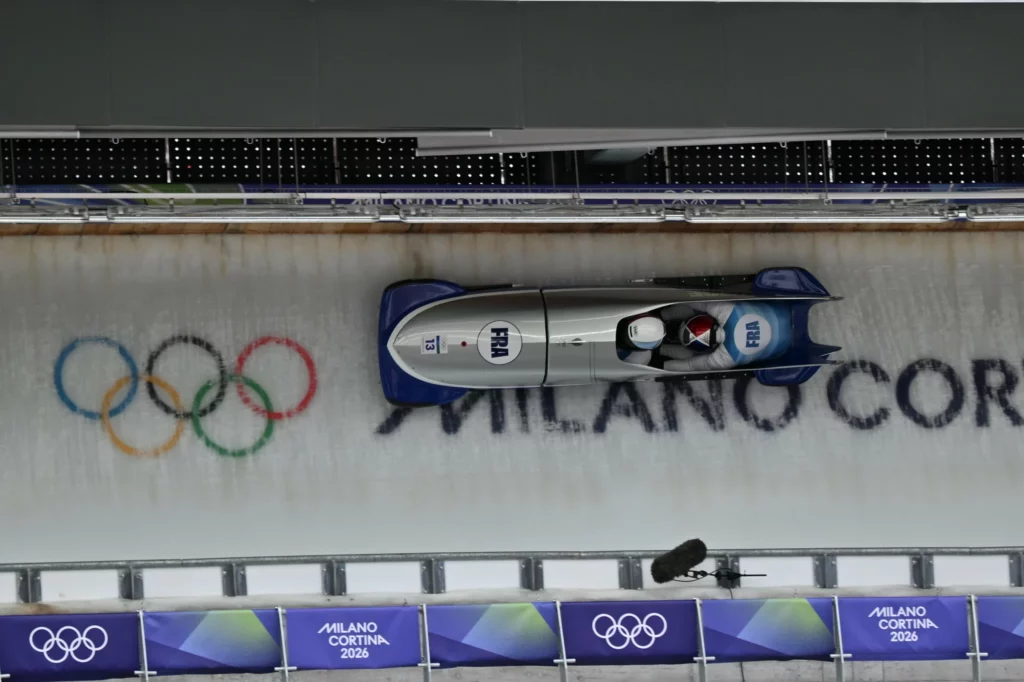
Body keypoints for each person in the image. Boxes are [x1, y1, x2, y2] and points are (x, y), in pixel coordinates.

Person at [658, 300, 792, 372]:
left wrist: (660, 366)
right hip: (784, 309)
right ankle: (663, 316)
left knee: (690, 356)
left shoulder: (726, 358)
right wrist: (662, 366)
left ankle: (662, 319)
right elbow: (702, 303)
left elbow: (691, 366)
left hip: (785, 348)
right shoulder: (728, 312)